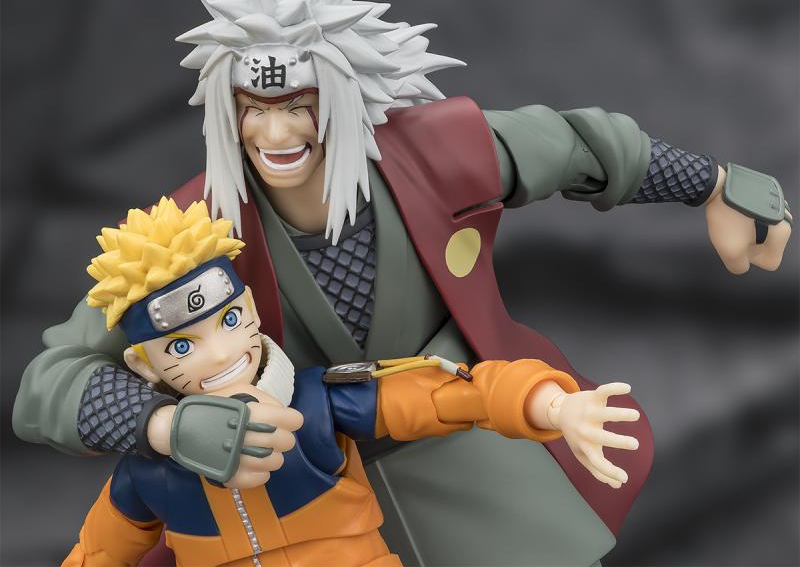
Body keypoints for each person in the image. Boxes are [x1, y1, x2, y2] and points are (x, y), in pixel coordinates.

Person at [15, 0, 792, 567]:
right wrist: (162, 427)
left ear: (342, 95)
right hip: (306, 493)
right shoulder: (193, 230)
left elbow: (581, 147)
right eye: (255, 110)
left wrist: (717, 184)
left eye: (300, 107)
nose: (277, 135)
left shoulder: (438, 154)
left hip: (465, 442)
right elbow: (49, 383)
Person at [63, 198, 640, 567]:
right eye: (182, 347)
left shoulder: (318, 403)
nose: (220, 354)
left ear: (252, 309)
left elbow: (449, 396)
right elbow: (97, 553)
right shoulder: (150, 469)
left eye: (230, 320)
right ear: (143, 365)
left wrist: (552, 405)